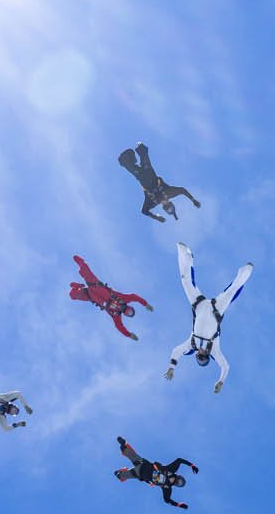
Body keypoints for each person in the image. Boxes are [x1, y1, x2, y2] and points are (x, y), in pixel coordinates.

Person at [166, 242, 252, 391]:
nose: (202, 354)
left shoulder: (191, 345)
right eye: (204, 357)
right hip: (216, 310)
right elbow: (225, 366)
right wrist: (221, 381)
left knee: (186, 281)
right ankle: (247, 270)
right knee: (231, 292)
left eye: (199, 356)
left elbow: (176, 351)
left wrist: (172, 367)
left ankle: (185, 253)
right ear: (207, 357)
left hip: (198, 307)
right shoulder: (214, 351)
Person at [68, 255, 149, 338]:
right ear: (130, 307)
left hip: (91, 296)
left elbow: (120, 327)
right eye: (131, 311)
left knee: (72, 295)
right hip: (96, 285)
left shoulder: (116, 315)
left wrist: (129, 335)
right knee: (85, 269)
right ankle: (80, 262)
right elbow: (134, 297)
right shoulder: (124, 299)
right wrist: (145, 304)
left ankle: (77, 286)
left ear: (126, 315)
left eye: (129, 314)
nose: (128, 312)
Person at [118, 143, 200, 222]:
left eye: (166, 208)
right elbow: (182, 190)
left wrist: (156, 217)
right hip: (149, 173)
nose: (166, 204)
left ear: (163, 208)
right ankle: (140, 149)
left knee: (128, 164)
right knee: (142, 151)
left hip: (142, 177)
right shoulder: (169, 193)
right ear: (170, 202)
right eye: (169, 206)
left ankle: (129, 158)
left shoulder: (153, 202)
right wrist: (193, 200)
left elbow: (144, 211)